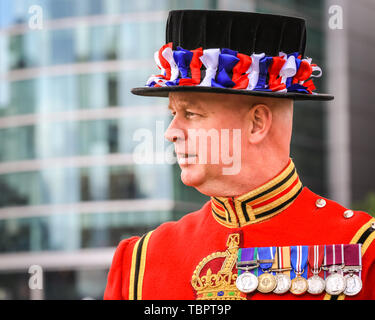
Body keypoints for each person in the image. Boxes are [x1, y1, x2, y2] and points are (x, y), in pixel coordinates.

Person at [104, 10, 375, 300]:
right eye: (173, 113)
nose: (171, 132)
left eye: (191, 113)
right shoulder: (139, 261)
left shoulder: (361, 249)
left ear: (257, 123)